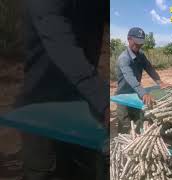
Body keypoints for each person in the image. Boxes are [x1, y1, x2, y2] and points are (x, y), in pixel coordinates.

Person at [15, 0, 108, 180]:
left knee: (85, 168)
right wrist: (103, 100)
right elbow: (64, 48)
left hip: (82, 103)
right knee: (43, 170)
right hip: (41, 104)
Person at [116, 27, 170, 133]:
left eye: (141, 43)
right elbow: (130, 77)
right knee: (125, 125)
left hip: (136, 93)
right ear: (129, 39)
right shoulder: (124, 58)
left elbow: (149, 68)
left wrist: (160, 83)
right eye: (136, 42)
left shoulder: (141, 55)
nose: (138, 45)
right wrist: (144, 93)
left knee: (139, 120)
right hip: (123, 95)